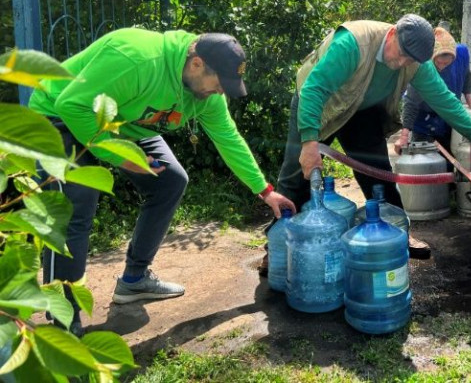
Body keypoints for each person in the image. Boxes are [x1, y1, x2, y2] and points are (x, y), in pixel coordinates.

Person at [29, 28, 296, 336]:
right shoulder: (138, 58)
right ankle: (63, 317)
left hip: (124, 124)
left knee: (170, 181)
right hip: (57, 115)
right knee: (77, 204)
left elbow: (229, 140)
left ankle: (134, 280)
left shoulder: (205, 96)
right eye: (219, 83)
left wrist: (265, 191)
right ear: (196, 63)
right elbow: (71, 104)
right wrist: (125, 159)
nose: (221, 92)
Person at [276, 14, 471, 260]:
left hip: (361, 109)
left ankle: (398, 233)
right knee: (295, 175)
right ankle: (278, 247)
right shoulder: (353, 44)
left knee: (376, 170)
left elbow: (445, 102)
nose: (401, 63)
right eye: (401, 53)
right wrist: (310, 143)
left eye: (409, 59)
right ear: (392, 34)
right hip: (318, 104)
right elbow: (315, 88)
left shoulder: (415, 62)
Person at [394, 26, 471, 154]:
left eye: (446, 64)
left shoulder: (461, 54)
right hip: (424, 122)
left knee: (449, 163)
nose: (441, 67)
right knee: (424, 165)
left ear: (454, 58)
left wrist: (469, 97)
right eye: (438, 62)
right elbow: (411, 102)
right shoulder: (423, 66)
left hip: (447, 120)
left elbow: (467, 73)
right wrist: (404, 136)